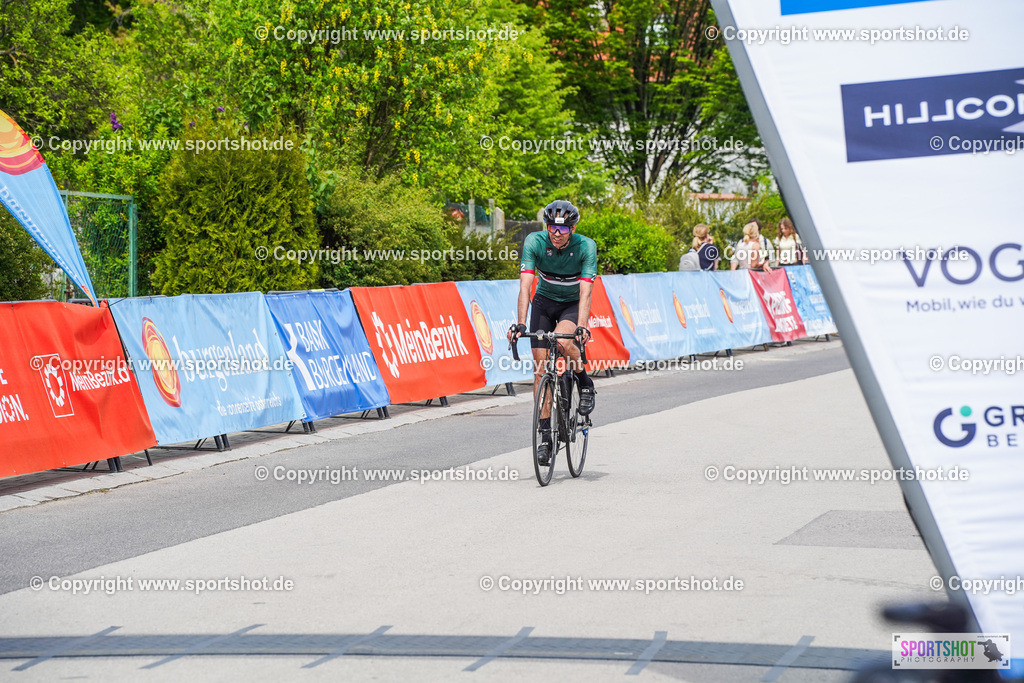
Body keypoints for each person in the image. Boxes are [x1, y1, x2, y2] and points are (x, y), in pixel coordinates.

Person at [507, 200, 597, 466]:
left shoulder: (586, 247)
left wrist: (581, 327)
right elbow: (525, 286)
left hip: (571, 305)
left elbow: (586, 291)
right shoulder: (535, 242)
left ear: (573, 228)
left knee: (566, 342)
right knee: (540, 368)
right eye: (552, 228)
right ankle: (546, 435)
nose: (556, 234)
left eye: (563, 230)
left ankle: (583, 381)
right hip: (544, 302)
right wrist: (521, 323)